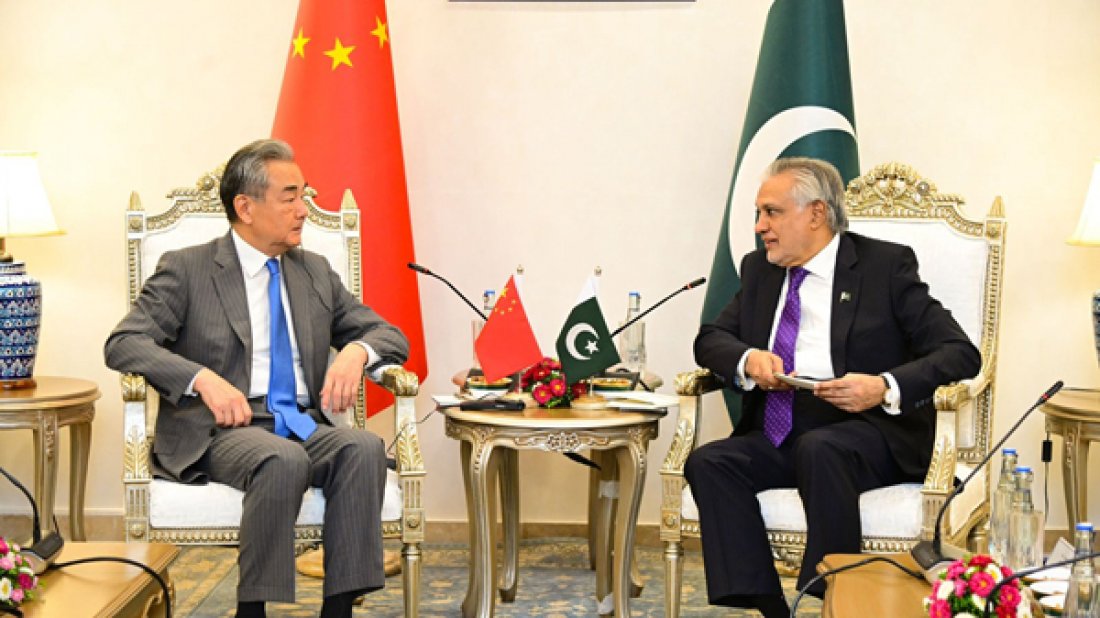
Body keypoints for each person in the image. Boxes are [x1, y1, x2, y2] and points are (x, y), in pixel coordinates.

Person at [105, 139, 409, 618]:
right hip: (222, 429)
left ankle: (339, 610)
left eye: (303, 196)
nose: (303, 210)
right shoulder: (188, 269)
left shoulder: (313, 271)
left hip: (301, 424)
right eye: (290, 198)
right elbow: (124, 342)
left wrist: (356, 352)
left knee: (363, 447)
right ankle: (252, 610)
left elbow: (389, 334)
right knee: (280, 458)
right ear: (245, 207)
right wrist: (202, 378)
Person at [685, 157, 981, 618]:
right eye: (759, 214)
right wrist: (748, 359)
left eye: (771, 212)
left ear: (816, 214)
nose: (760, 226)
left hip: (868, 430)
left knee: (822, 449)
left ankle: (833, 593)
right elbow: (710, 339)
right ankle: (770, 607)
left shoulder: (884, 267)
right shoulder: (760, 270)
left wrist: (883, 386)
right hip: (783, 428)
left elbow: (960, 351)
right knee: (710, 461)